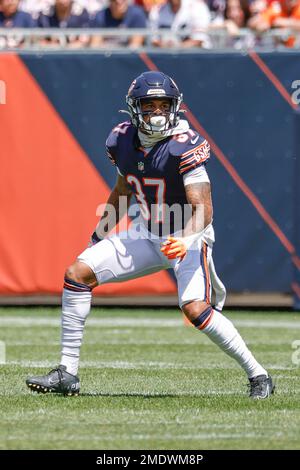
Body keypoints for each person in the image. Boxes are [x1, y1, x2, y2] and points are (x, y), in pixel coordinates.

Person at [26, 71, 275, 400]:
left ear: (175, 107)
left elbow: (204, 208)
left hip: (187, 235)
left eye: (163, 105)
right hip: (145, 232)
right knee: (77, 274)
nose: (157, 113)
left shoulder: (184, 145)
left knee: (195, 309)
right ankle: (67, 372)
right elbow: (122, 191)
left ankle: (259, 375)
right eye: (149, 105)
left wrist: (185, 240)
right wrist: (97, 239)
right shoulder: (121, 140)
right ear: (134, 109)